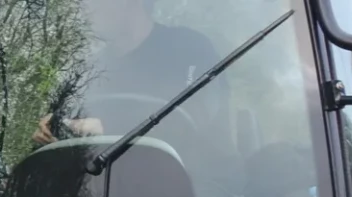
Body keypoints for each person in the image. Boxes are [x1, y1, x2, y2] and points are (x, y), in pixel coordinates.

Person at [33, 0, 230, 146]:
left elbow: (196, 114)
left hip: (197, 189)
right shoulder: (88, 71)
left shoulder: (189, 46)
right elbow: (67, 120)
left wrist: (110, 128)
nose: (85, 7)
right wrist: (50, 135)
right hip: (103, 189)